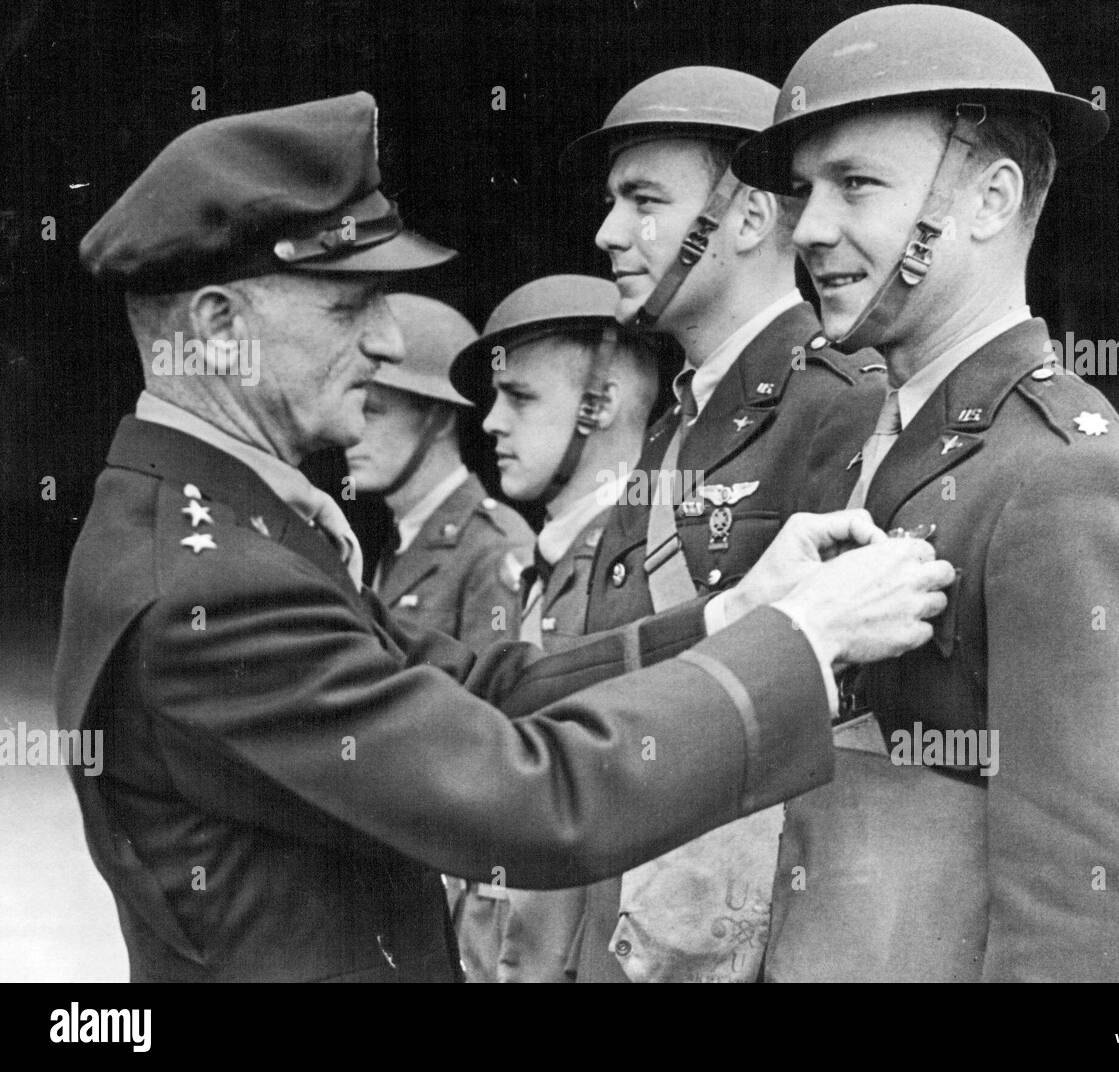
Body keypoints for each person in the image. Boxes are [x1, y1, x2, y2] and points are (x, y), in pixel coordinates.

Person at [57, 91, 955, 982]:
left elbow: (479, 689)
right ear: (220, 331)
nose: (383, 340)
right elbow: (528, 800)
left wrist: (734, 618)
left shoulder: (218, 530)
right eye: (348, 308)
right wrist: (801, 642)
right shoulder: (212, 586)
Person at [730, 3, 1119, 982]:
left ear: (990, 199)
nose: (811, 228)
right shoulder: (863, 448)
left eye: (855, 184)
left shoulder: (1065, 485)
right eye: (802, 190)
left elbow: (1102, 929)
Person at [561, 66, 879, 983]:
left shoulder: (842, 405)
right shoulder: (681, 415)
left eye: (643, 200)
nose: (608, 233)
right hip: (632, 907)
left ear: (744, 220)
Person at [445, 274, 662, 981]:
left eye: (521, 398)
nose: (490, 423)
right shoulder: (553, 566)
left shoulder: (647, 577)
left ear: (603, 404)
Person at [346, 293, 533, 652]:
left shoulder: (493, 549)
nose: (353, 431)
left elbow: (492, 698)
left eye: (372, 411)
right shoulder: (404, 537)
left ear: (439, 418)